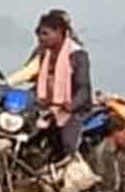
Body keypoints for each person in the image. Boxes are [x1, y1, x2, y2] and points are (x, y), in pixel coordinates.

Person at [20, 11, 93, 157]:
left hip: (73, 111)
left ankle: (76, 173)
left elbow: (84, 88)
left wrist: (71, 105)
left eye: (45, 34)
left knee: (68, 145)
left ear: (59, 32)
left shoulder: (77, 55)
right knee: (25, 137)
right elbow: (30, 74)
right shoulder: (43, 53)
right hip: (48, 107)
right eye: (39, 34)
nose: (41, 38)